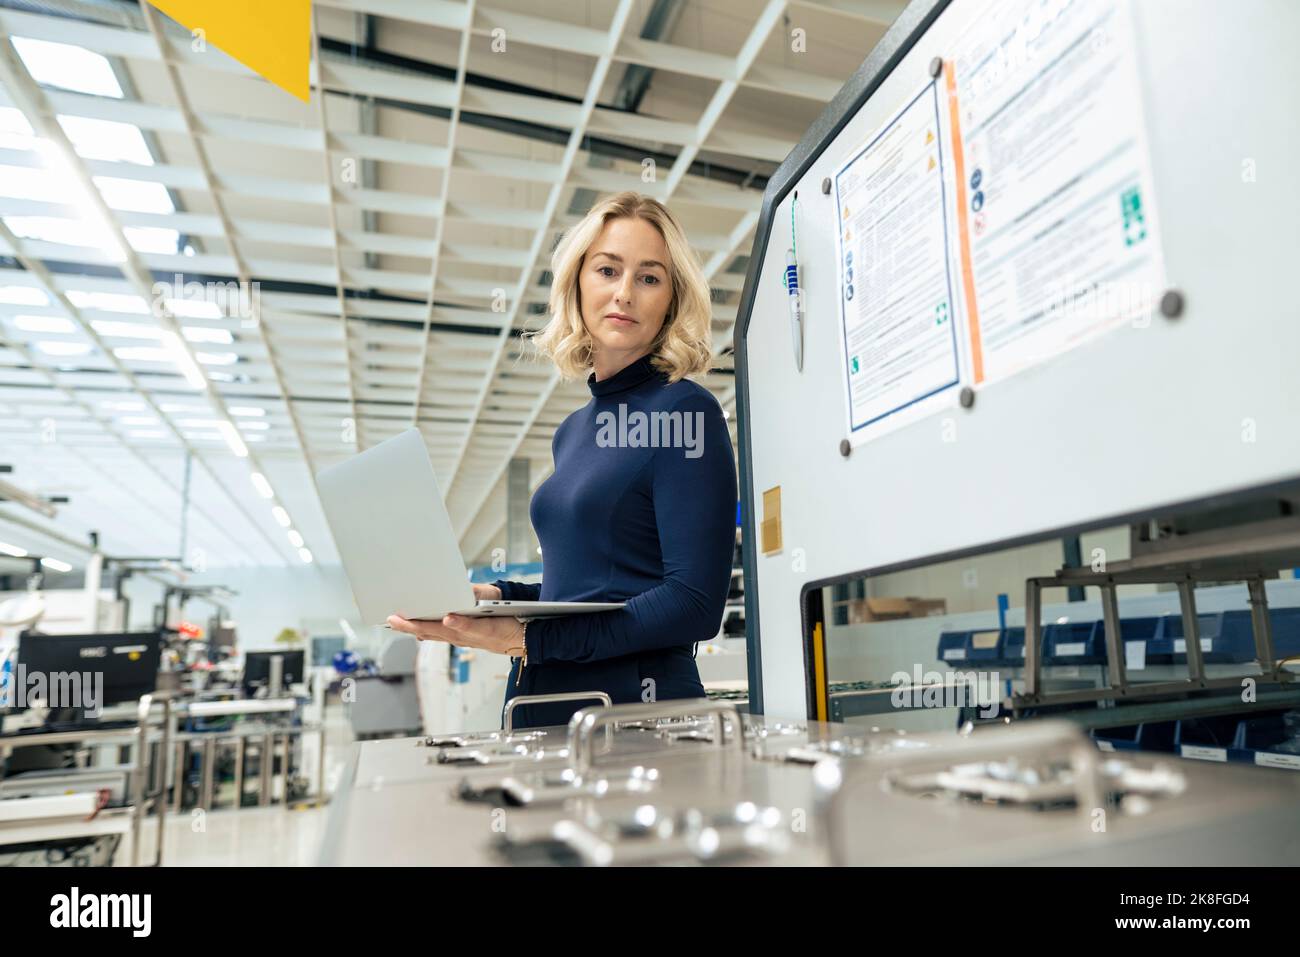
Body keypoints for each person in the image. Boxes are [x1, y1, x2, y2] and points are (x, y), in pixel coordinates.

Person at [387, 191, 737, 729]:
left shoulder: (686, 410)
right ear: (576, 283)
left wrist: (530, 637)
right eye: (607, 270)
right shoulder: (574, 431)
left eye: (649, 278)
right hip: (541, 695)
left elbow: (693, 603)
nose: (625, 292)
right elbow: (588, 586)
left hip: (632, 710)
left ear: (671, 298)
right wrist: (500, 597)